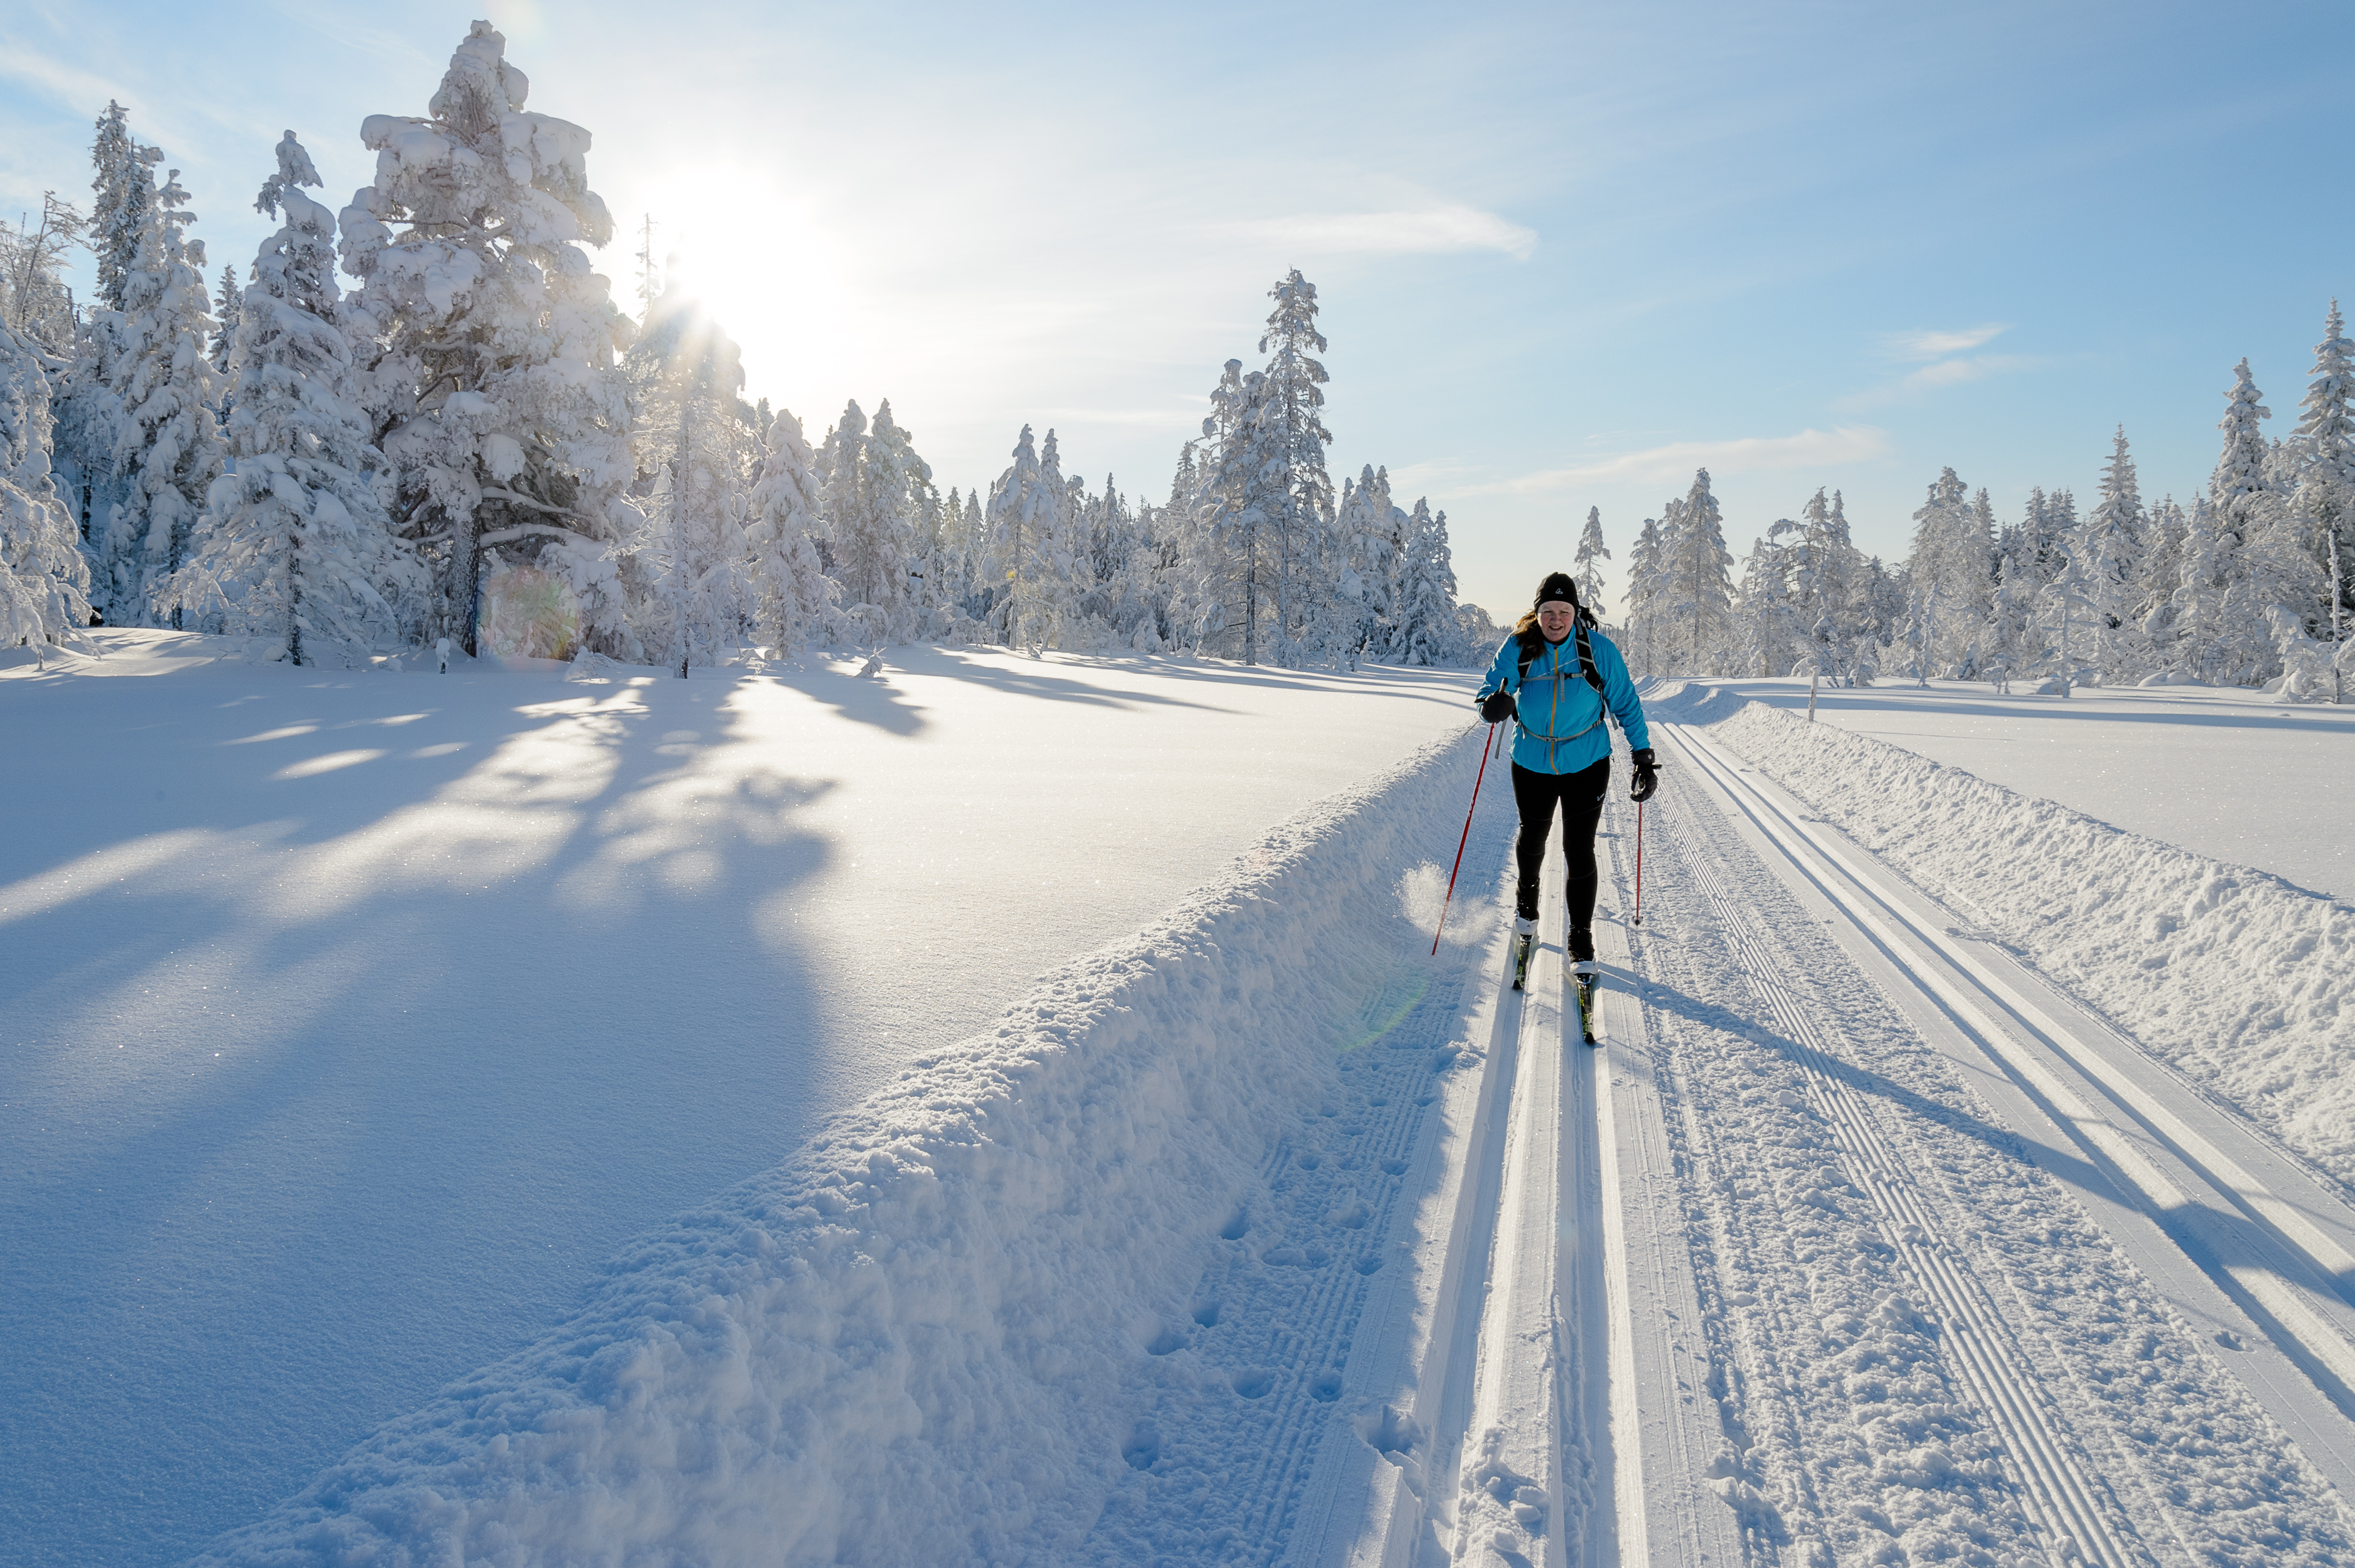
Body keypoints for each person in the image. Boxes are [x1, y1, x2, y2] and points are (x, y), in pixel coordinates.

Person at [1473, 571, 1657, 971]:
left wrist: (1642, 754)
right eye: (1547, 612)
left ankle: (1581, 936)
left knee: (1579, 848)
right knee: (1533, 837)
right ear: (1535, 614)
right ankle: (1526, 914)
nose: (1555, 619)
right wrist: (1492, 704)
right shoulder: (1519, 646)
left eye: (1563, 611)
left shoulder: (1598, 650)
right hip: (1531, 762)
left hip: (1587, 763)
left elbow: (1625, 702)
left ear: (1575, 613)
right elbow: (1489, 690)